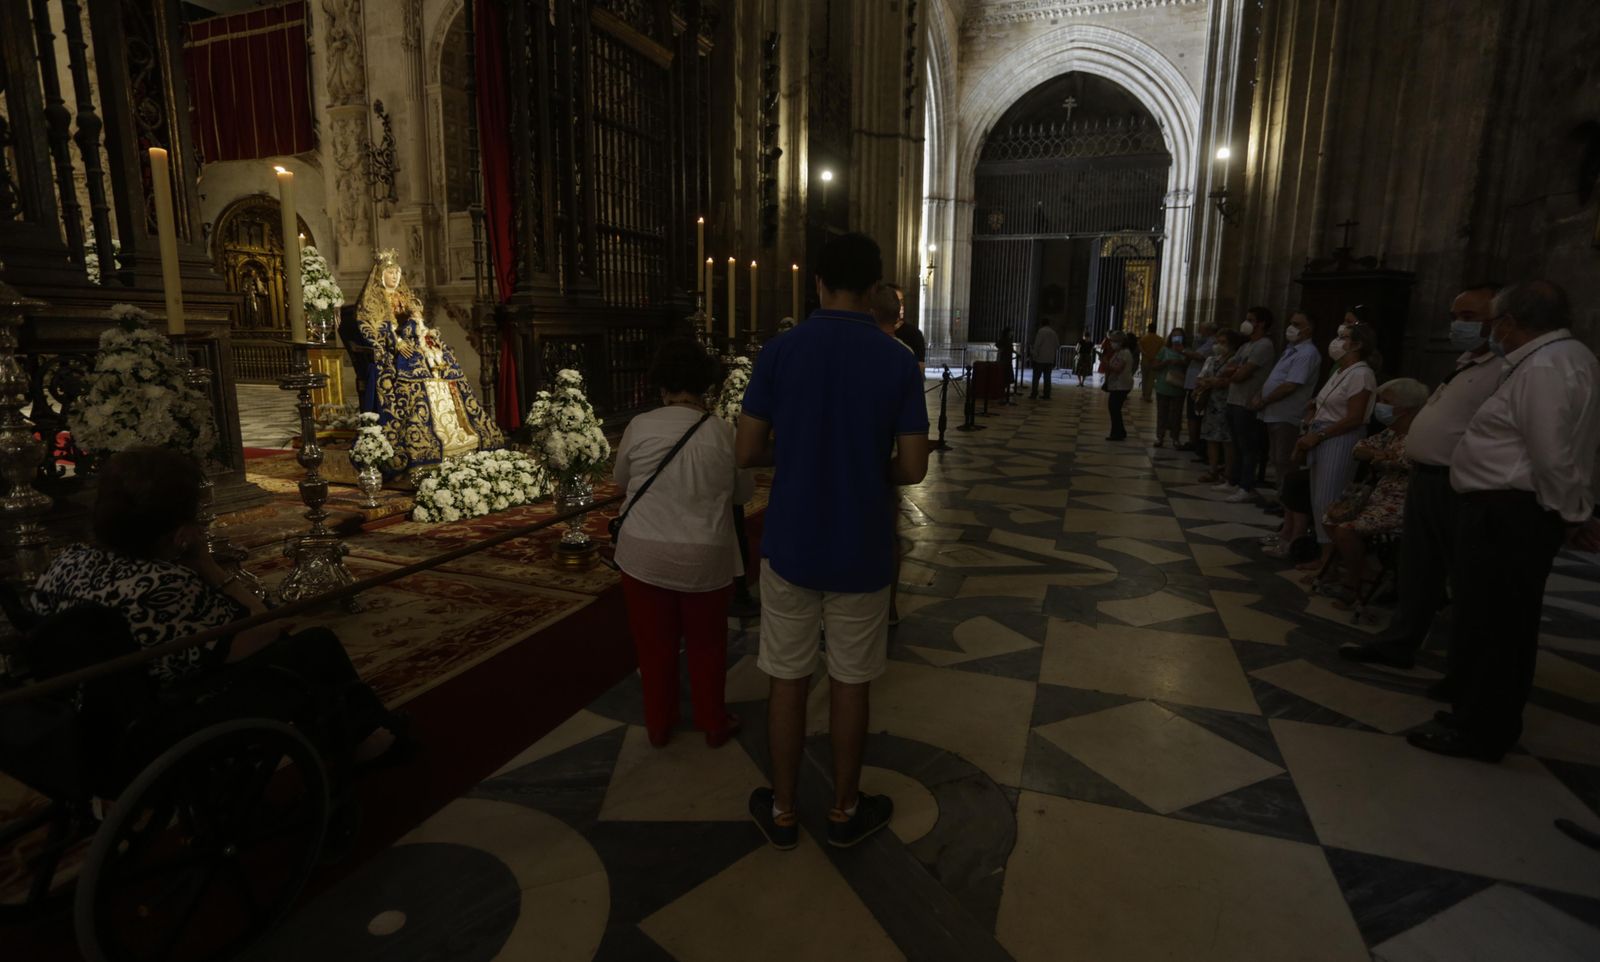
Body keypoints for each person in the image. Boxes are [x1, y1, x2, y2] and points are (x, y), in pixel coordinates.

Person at [32, 447, 408, 766]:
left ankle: (364, 729)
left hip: (78, 723)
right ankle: (362, 740)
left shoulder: (68, 561)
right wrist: (206, 564)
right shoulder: (165, 585)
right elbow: (271, 625)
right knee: (312, 647)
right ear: (180, 522)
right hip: (157, 726)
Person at [737, 233, 931, 849]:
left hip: (792, 540)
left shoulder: (780, 351)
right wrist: (859, 463)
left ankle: (786, 809)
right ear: (875, 288)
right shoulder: (897, 359)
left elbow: (746, 451)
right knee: (851, 681)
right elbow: (914, 467)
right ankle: (847, 810)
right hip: (862, 545)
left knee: (787, 678)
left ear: (817, 282)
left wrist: (798, 453)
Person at [1409, 280, 1600, 762]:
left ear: (1511, 322)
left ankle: (1483, 730)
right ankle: (1471, 710)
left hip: (1510, 512)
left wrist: (1573, 511)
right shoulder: (1558, 359)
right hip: (1507, 509)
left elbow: (1553, 453)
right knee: (1483, 618)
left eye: (1493, 322)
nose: (1491, 332)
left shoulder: (1546, 367)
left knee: (1499, 627)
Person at [1340, 284, 1501, 669]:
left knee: (1464, 577)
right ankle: (1400, 640)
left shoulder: (1505, 369)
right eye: (1454, 316)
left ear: (1499, 322)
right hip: (1426, 478)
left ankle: (1467, 664)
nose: (1456, 324)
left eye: (1468, 317)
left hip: (1458, 483)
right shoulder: (1466, 363)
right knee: (1418, 570)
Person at [613, 339, 751, 749]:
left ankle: (659, 725)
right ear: (705, 384)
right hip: (704, 556)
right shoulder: (724, 432)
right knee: (708, 646)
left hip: (643, 554)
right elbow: (742, 494)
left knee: (654, 648)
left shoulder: (640, 426)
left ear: (662, 384)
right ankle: (713, 722)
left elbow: (622, 481)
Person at [351, 250, 504, 476]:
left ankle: (458, 430)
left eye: (396, 273)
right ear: (380, 276)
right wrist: (394, 343)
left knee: (445, 362)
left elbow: (415, 319)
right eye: (389, 273)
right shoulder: (373, 301)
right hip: (391, 351)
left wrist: (420, 328)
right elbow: (370, 330)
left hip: (413, 342)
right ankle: (422, 436)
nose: (394, 277)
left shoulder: (404, 296)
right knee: (415, 368)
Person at [1322, 378, 1429, 607]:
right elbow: (1359, 448)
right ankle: (1366, 572)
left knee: (1346, 530)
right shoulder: (1390, 433)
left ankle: (1354, 583)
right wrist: (1380, 456)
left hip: (1402, 502)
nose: (1380, 405)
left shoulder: (1420, 435)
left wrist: (1384, 458)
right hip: (1375, 495)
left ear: (1405, 407)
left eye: (1386, 401)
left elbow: (1406, 461)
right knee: (1330, 518)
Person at [1294, 323, 1379, 575]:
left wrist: (1319, 434)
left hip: (1339, 438)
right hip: (1322, 435)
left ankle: (1331, 563)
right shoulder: (1343, 371)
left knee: (1328, 500)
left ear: (1358, 344)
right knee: (1318, 500)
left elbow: (1354, 416)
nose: (1337, 341)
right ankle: (1325, 558)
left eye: (1343, 337)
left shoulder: (1361, 374)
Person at [1252, 312, 1322, 507]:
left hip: (1287, 413)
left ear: (1308, 329)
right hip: (1274, 412)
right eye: (1290, 323)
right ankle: (1281, 496)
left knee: (1285, 459)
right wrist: (1261, 393)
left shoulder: (1307, 353)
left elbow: (1291, 384)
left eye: (1297, 324)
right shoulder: (1292, 350)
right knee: (1276, 458)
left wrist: (1265, 400)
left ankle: (1288, 503)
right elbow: (1277, 378)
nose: (1291, 327)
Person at [1221, 308, 1279, 503]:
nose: (1245, 323)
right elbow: (1226, 368)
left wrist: (1235, 371)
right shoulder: (1246, 345)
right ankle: (1233, 480)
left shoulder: (1264, 346)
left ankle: (1246, 485)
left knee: (1247, 447)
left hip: (1247, 402)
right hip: (1233, 398)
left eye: (1250, 320)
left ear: (1261, 323)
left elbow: (1240, 374)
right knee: (1236, 444)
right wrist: (1234, 370)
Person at [1196, 331, 1240, 482]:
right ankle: (1212, 469)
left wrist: (1213, 381)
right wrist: (1213, 381)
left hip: (1227, 402)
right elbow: (1201, 379)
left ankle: (1228, 472)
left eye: (1223, 342)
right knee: (1211, 438)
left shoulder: (1235, 360)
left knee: (1227, 439)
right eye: (1218, 342)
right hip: (1211, 403)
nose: (1219, 345)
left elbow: (1229, 381)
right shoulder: (1211, 359)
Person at [1183, 322, 1217, 453]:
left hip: (1199, 384)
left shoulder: (1211, 342)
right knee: (1192, 414)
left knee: (1195, 414)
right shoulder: (1202, 342)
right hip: (1194, 383)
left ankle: (1196, 443)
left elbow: (1199, 356)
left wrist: (1183, 351)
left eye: (1201, 330)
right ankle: (1195, 442)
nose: (1199, 332)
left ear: (1208, 331)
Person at [1151, 329, 1188, 446]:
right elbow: (1155, 365)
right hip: (1163, 385)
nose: (1176, 339)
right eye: (1174, 336)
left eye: (1179, 336)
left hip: (1178, 386)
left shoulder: (1186, 351)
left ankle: (1175, 438)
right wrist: (1166, 362)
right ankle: (1160, 436)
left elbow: (1191, 367)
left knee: (1176, 415)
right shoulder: (1164, 350)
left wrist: (1181, 361)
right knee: (1162, 413)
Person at [1103, 330, 1135, 441]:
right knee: (1114, 409)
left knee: (1114, 408)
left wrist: (1106, 363)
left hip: (1121, 385)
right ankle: (1119, 431)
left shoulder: (1125, 353)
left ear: (1121, 342)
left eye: (1114, 341)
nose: (1112, 343)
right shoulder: (1118, 352)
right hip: (1117, 384)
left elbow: (1118, 369)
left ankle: (1117, 433)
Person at [1029, 318, 1061, 400]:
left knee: (1036, 378)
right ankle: (1047, 395)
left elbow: (1037, 344)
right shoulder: (1053, 332)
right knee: (1047, 378)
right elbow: (1057, 345)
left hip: (1040, 359)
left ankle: (1034, 394)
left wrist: (1033, 354)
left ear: (1042, 324)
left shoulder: (1041, 331)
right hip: (1050, 359)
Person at [1138, 322, 1164, 402]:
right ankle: (1148, 396)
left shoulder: (1144, 338)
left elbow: (1140, 349)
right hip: (1154, 361)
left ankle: (1144, 394)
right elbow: (1162, 351)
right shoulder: (1160, 339)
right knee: (1151, 379)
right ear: (1155, 329)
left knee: (1144, 378)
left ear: (1148, 329)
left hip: (1145, 360)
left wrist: (1146, 354)